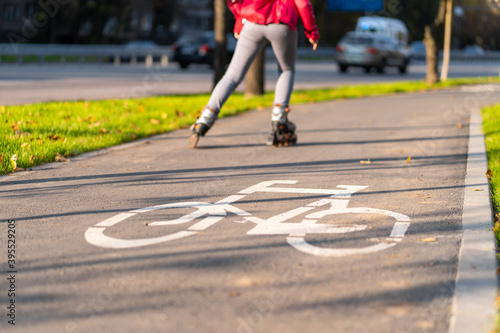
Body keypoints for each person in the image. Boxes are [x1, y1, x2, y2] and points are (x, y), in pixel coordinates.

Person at [188, 0, 320, 148]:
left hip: (252, 23)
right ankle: (279, 118)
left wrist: (239, 23)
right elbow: (302, 4)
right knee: (287, 70)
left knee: (232, 75)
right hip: (281, 23)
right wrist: (312, 32)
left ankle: (206, 117)